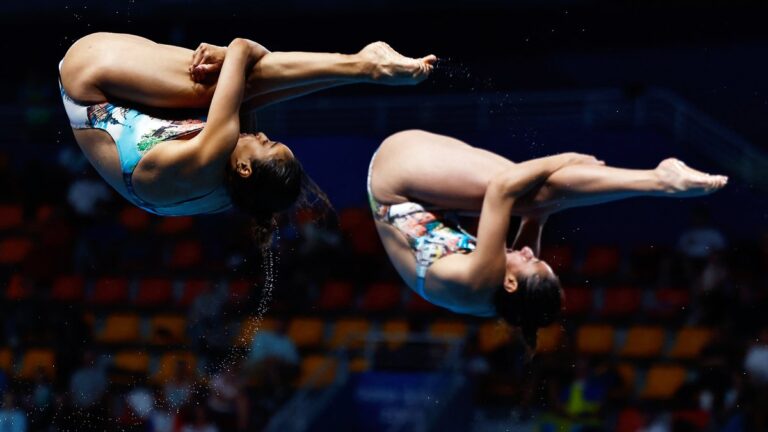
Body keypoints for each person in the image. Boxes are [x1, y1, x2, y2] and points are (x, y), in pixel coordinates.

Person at [59, 33, 435, 243]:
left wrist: (228, 54)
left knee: (209, 82)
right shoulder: (239, 188)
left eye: (267, 144)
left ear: (243, 167)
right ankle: (361, 67)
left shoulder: (210, 156)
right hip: (133, 106)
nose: (263, 134)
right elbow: (249, 86)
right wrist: (237, 63)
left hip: (89, 77)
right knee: (240, 87)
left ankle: (365, 65)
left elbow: (242, 49)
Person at [368, 130, 728, 348]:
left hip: (397, 176)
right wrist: (551, 206)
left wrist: (565, 159)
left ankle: (660, 181)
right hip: (425, 193)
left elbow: (501, 191)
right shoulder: (505, 296)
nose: (526, 251)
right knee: (541, 199)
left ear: (509, 282)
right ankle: (658, 183)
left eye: (530, 261)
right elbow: (533, 221)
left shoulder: (475, 279)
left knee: (531, 193)